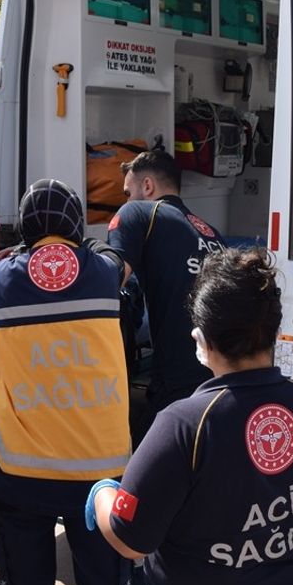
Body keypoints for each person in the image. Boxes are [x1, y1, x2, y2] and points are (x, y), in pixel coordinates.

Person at [87, 247, 293, 585]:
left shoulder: (184, 425)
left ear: (202, 336)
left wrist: (103, 495)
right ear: (272, 328)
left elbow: (130, 540)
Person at [0, 179, 132, 585]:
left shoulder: (4, 275)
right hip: (99, 474)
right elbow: (120, 264)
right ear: (76, 226)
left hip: (21, 471)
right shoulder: (103, 271)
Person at [106, 148, 227, 433]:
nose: (126, 199)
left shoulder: (137, 212)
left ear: (147, 186)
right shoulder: (211, 233)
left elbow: (109, 283)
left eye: (127, 191)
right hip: (220, 379)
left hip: (176, 380)